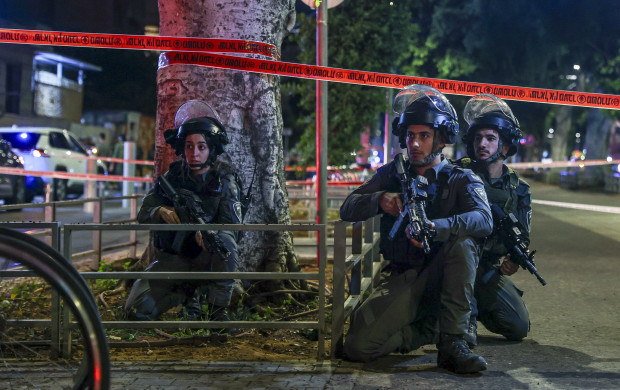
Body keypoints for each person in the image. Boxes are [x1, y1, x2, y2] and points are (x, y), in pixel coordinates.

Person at [340, 84, 493, 374]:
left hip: (445, 275)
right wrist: (381, 199)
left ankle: (452, 343)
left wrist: (437, 227)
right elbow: (348, 207)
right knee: (358, 347)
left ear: (440, 139)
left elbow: (483, 219)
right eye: (410, 135)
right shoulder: (392, 174)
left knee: (463, 243)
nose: (415, 143)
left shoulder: (461, 178)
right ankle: (429, 330)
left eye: (424, 135)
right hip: (404, 274)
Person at [125, 100, 242, 329]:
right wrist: (161, 210)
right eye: (189, 146)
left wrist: (209, 232)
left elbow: (233, 228)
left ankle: (218, 310)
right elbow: (144, 211)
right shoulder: (173, 177)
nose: (194, 153)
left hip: (207, 261)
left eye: (201, 146)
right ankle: (186, 297)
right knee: (137, 311)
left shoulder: (224, 180)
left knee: (224, 242)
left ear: (211, 149)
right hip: (174, 261)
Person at [455, 94, 531, 347]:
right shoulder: (457, 173)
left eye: (490, 138)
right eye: (478, 138)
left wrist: (513, 260)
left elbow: (521, 233)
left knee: (518, 326)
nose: (482, 144)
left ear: (505, 147)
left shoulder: (518, 189)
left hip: (486, 269)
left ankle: (473, 309)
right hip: (450, 266)